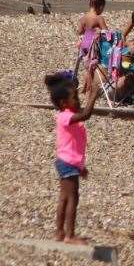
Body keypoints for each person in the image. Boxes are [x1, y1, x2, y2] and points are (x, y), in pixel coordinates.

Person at [44, 71, 99, 244]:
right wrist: (93, 96)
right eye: (75, 97)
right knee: (72, 198)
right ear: (63, 103)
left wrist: (81, 167)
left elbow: (74, 145)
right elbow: (86, 115)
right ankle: (69, 235)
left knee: (64, 198)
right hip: (67, 163)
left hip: (69, 163)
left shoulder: (67, 115)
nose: (79, 100)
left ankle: (60, 232)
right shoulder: (65, 116)